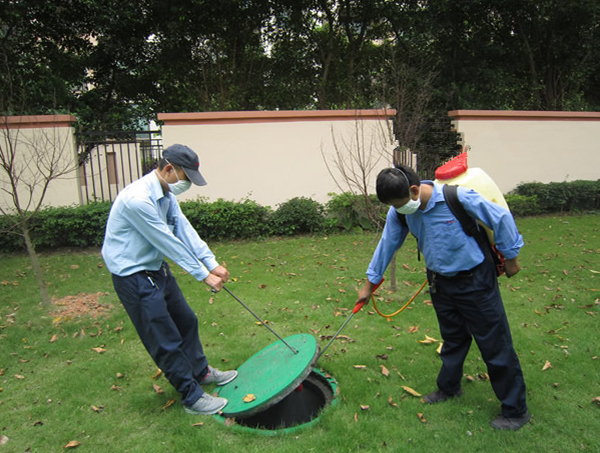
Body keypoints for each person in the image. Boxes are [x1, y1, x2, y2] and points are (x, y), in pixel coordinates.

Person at [356, 165, 530, 431]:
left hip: (475, 281)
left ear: (414, 190)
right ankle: (449, 389)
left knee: (495, 345)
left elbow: (501, 218)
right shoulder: (400, 212)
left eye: (401, 204)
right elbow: (387, 244)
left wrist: (511, 257)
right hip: (440, 283)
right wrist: (369, 284)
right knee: (453, 340)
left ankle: (515, 410)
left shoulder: (457, 197)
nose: (398, 210)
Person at [102, 144, 237, 415]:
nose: (186, 184)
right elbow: (166, 241)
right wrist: (203, 275)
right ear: (167, 169)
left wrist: (211, 263)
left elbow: (183, 229)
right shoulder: (137, 200)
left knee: (186, 320)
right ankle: (192, 398)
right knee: (164, 339)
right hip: (133, 276)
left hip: (155, 269)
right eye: (185, 178)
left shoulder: (165, 194)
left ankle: (200, 373)